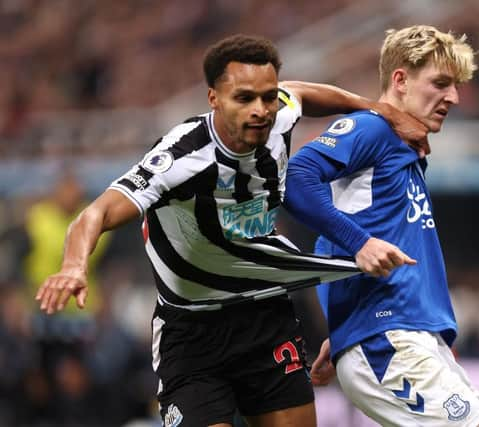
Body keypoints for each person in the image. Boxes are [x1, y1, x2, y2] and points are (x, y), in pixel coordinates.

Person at [35, 34, 428, 427]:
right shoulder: (179, 157)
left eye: (267, 97)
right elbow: (97, 213)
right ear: (214, 99)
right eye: (244, 99)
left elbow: (303, 93)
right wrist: (73, 265)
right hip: (192, 330)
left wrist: (379, 111)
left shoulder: (280, 113)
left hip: (264, 313)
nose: (261, 110)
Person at [284, 25, 479, 426]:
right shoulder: (373, 129)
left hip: (407, 335)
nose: (452, 97)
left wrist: (344, 320)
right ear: (400, 79)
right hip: (389, 337)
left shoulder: (403, 151)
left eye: (455, 86)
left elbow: (336, 234)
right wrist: (360, 245)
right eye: (440, 83)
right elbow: (297, 177)